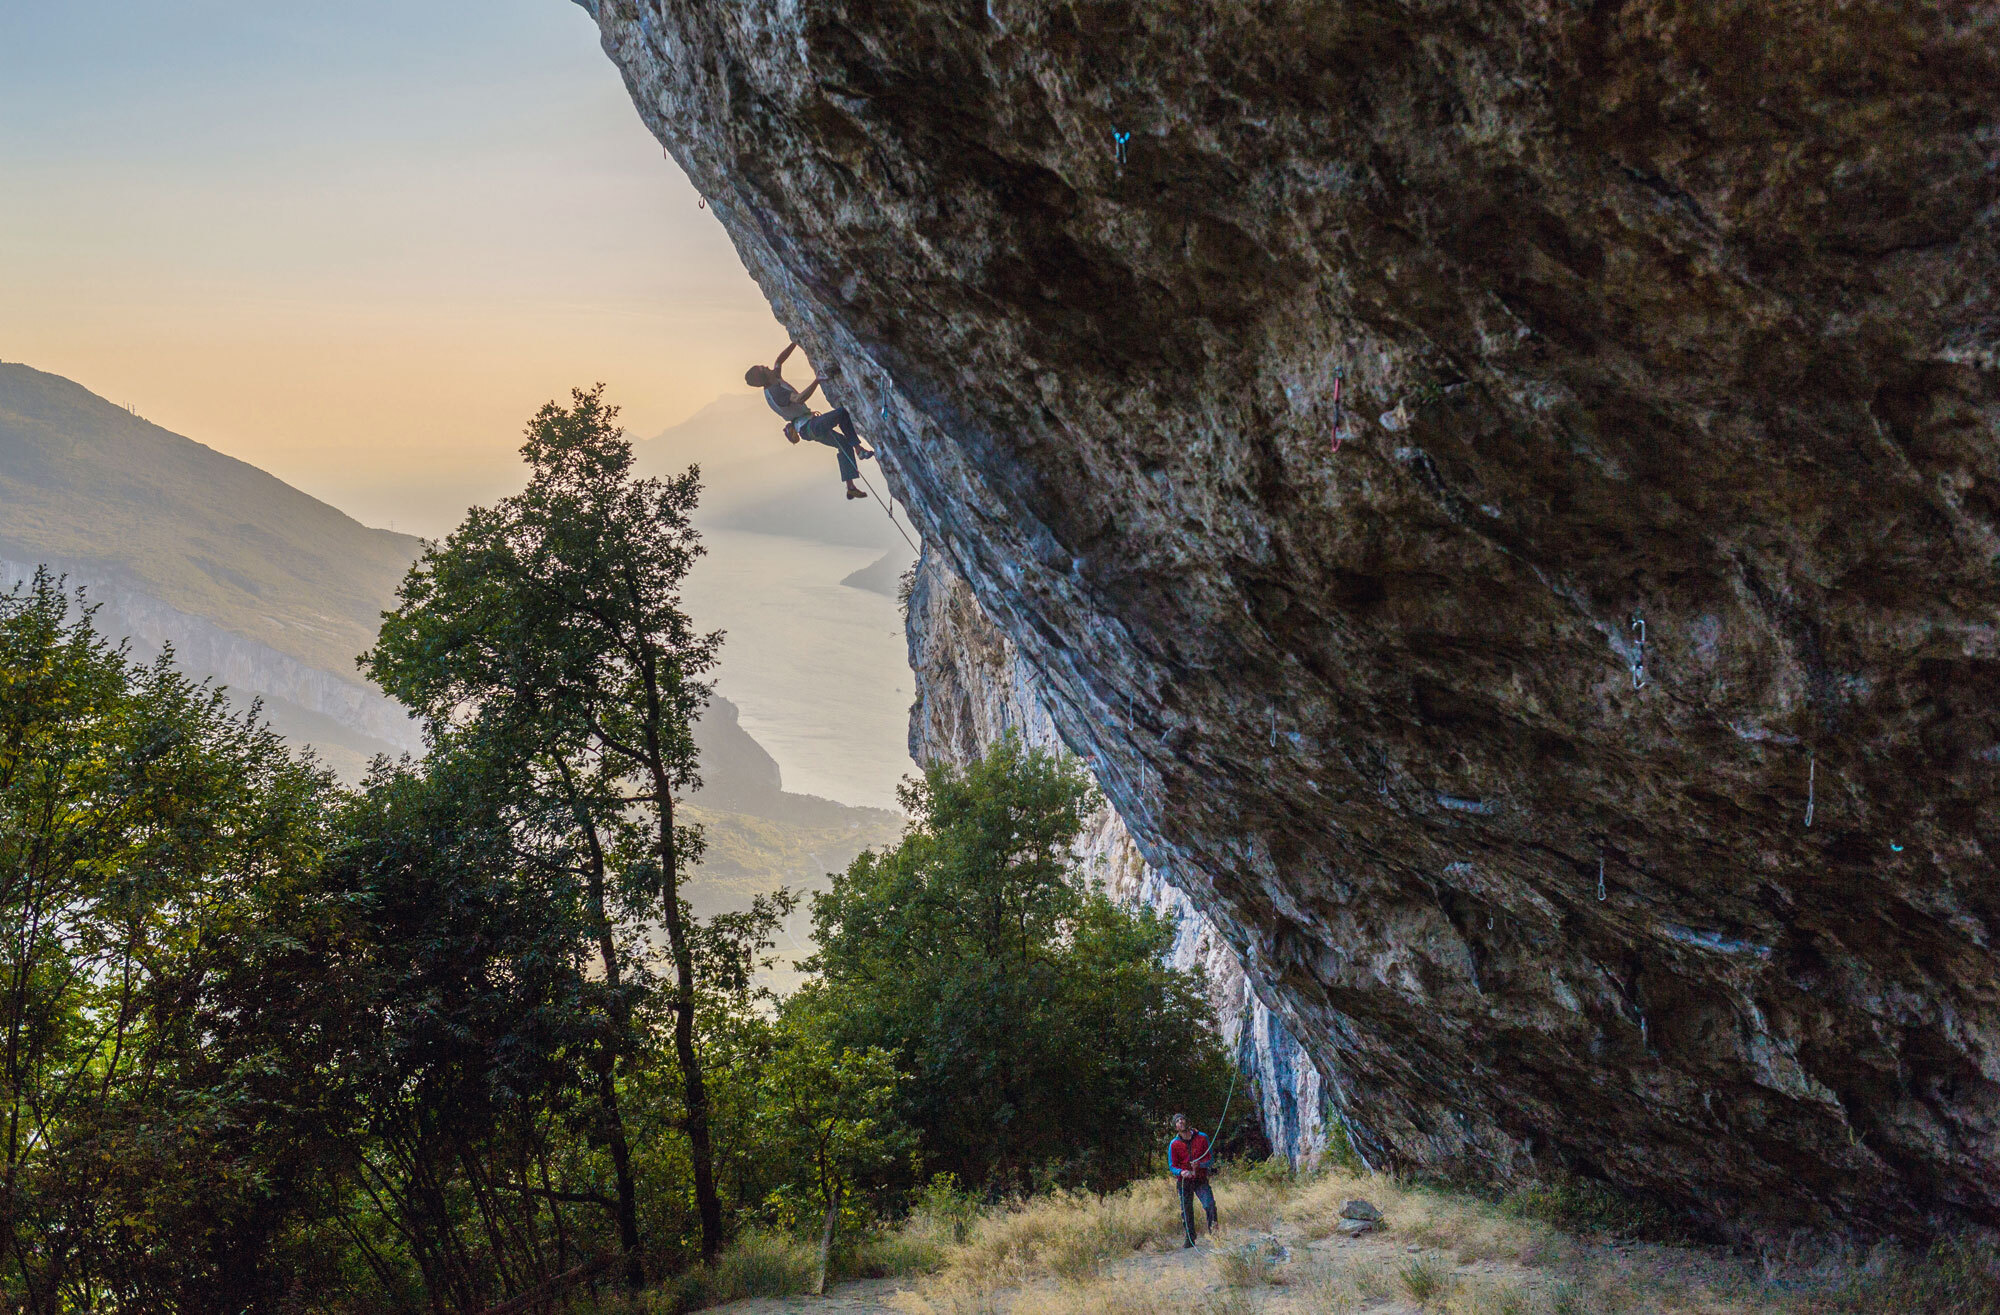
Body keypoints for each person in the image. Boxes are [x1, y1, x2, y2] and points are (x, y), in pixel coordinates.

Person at [745, 342, 874, 500]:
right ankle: (859, 448)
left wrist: (795, 342)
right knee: (841, 413)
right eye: (763, 368)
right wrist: (817, 380)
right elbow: (799, 398)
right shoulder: (775, 391)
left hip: (808, 429)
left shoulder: (774, 379)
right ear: (763, 377)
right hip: (809, 426)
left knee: (843, 444)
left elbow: (779, 361)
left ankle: (850, 487)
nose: (766, 366)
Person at [1168, 1112, 1218, 1247]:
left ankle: (1215, 1236)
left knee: (1209, 1205)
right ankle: (1190, 1238)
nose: (1181, 1122)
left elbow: (1211, 1159)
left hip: (1200, 1179)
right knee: (1186, 1210)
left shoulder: (1202, 1138)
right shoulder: (1174, 1144)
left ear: (1187, 1121)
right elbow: (1172, 1166)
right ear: (1175, 1127)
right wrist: (1181, 1172)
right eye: (1178, 1121)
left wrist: (1200, 1164)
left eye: (1182, 1119)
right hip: (1184, 1182)